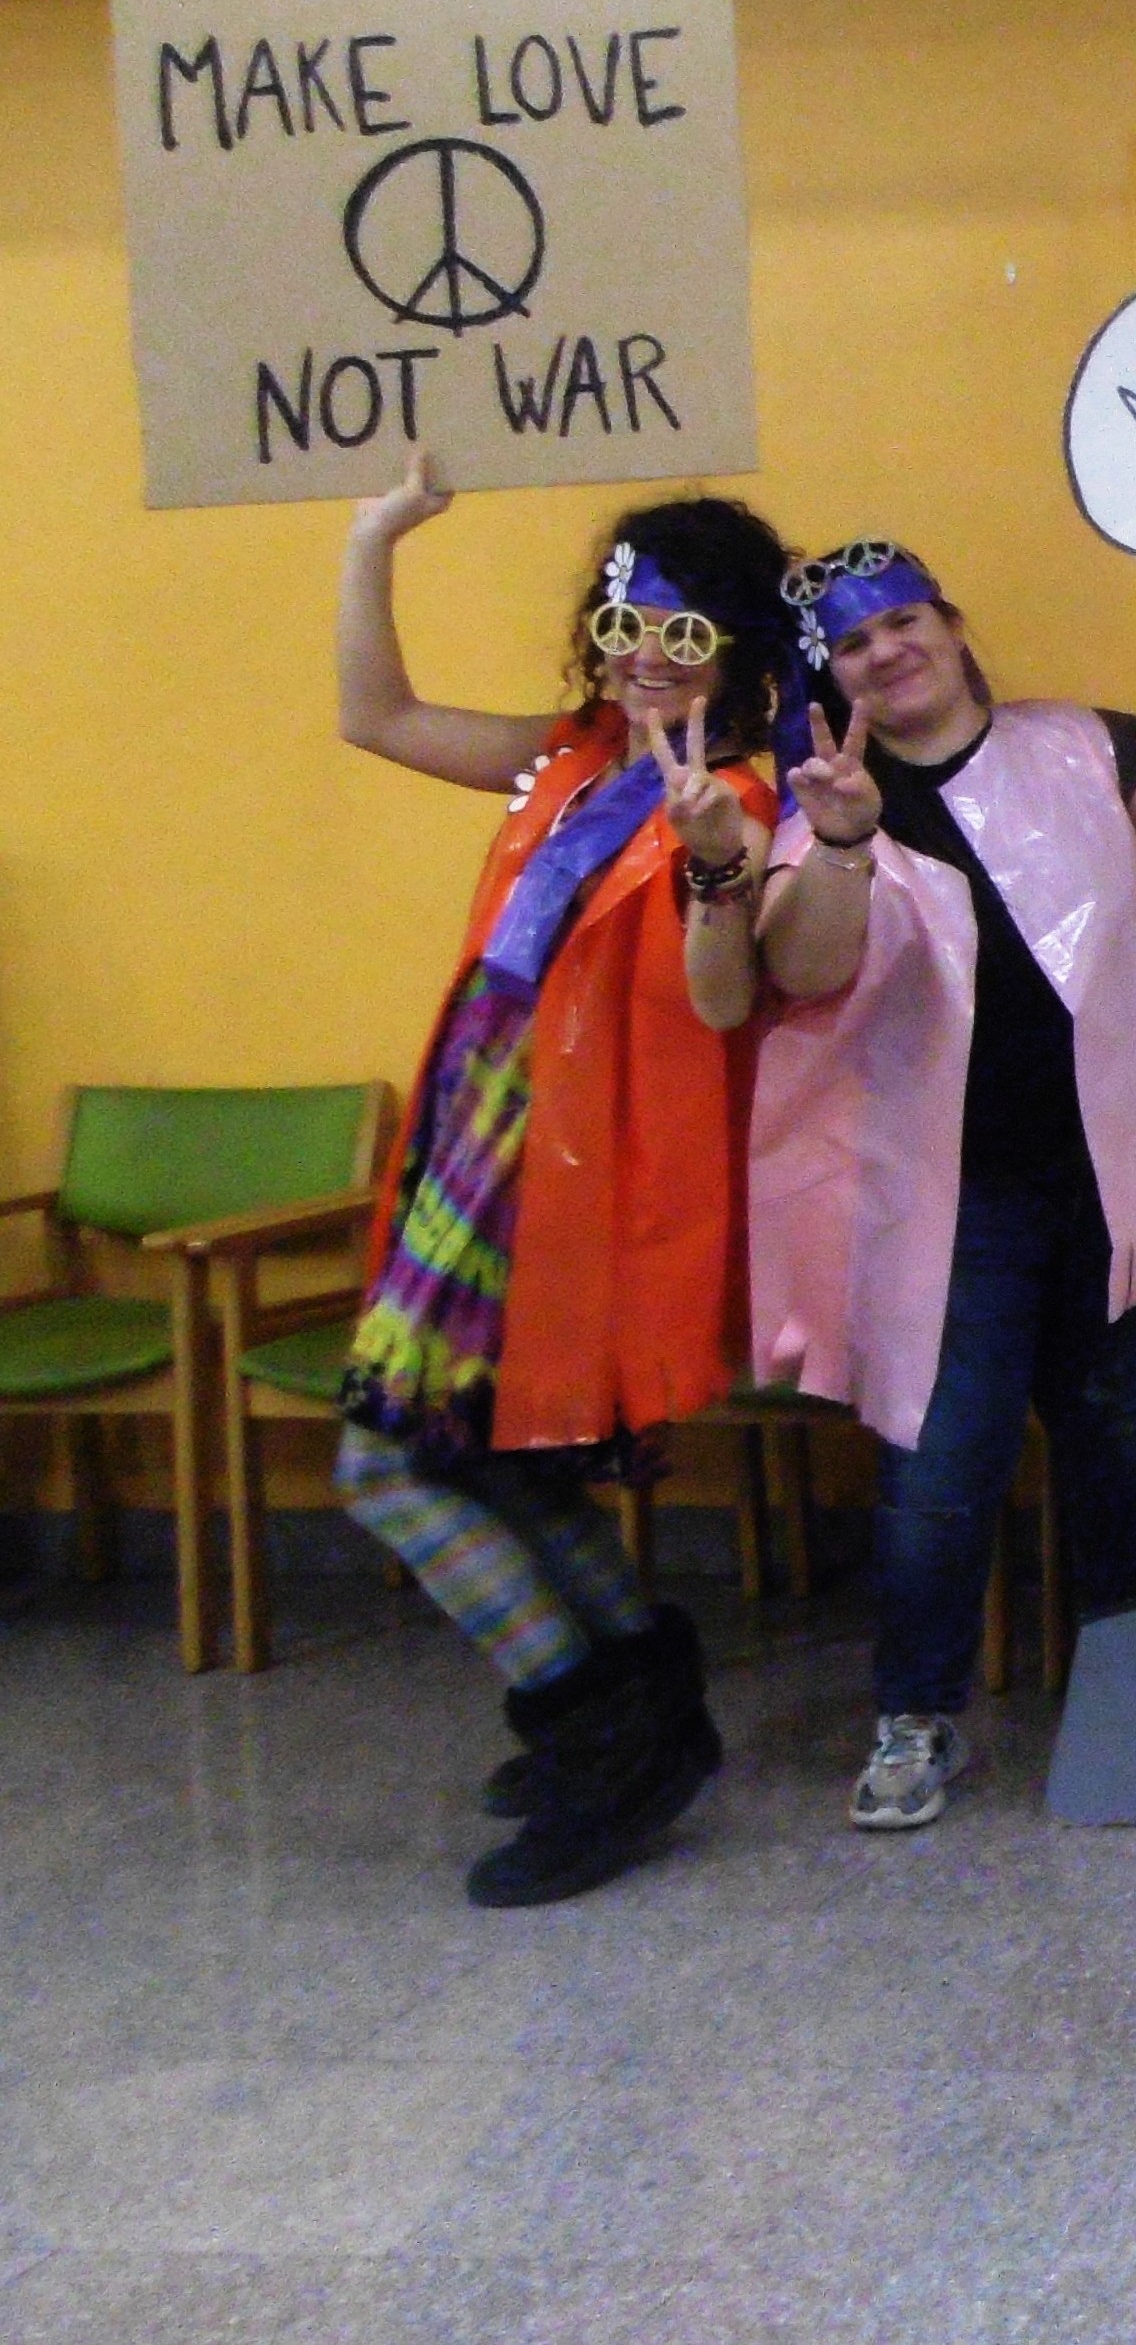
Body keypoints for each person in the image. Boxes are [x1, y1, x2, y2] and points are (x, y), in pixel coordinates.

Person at [748, 537, 1136, 1830]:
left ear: (950, 621)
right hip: (949, 1199)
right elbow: (803, 969)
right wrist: (841, 840)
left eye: (904, 621)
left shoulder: (1081, 745)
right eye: (854, 642)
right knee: (941, 1460)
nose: (888, 651)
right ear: (832, 674)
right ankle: (916, 1717)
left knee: (1123, 1443)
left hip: (1105, 1175)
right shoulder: (829, 797)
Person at [329, 453, 787, 1907]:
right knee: (492, 1456)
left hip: (569, 1182)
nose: (646, 652)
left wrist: (713, 858)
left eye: (683, 630)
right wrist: (373, 538)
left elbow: (723, 999)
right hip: (479, 1147)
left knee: (387, 1464)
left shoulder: (740, 798)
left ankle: (599, 1732)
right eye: (624, 620)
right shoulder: (574, 757)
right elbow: (376, 714)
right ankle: (649, 1700)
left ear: (740, 650)